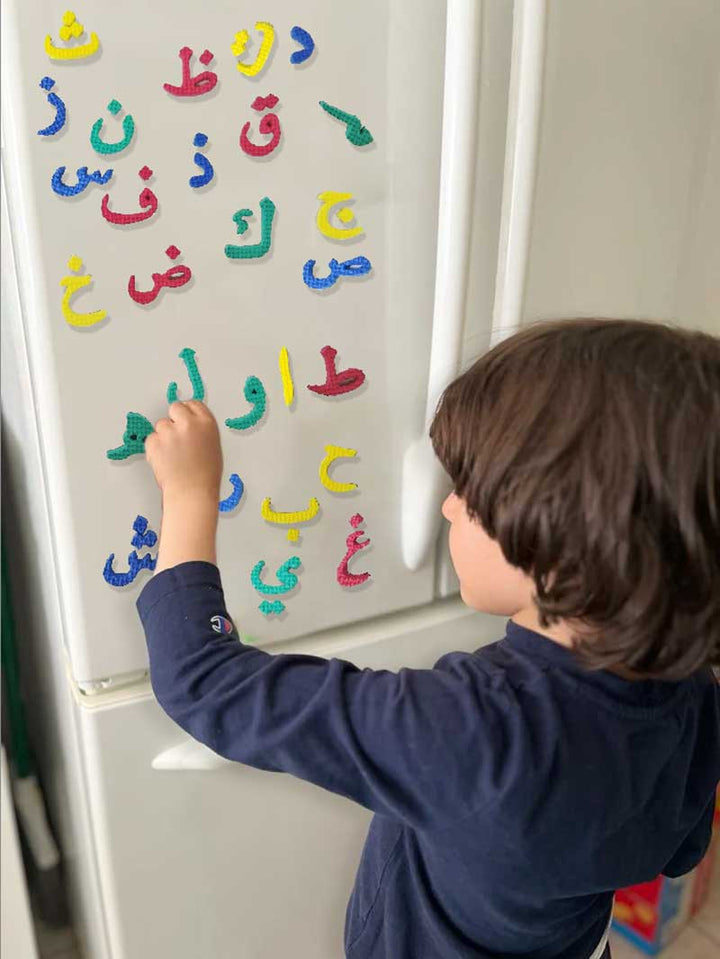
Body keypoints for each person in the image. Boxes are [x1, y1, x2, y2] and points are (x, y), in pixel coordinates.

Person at [136, 318, 720, 959]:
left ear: (565, 551)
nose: (446, 506)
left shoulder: (469, 729)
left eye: (470, 497)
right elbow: (681, 846)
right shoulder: (688, 685)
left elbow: (202, 680)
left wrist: (190, 494)